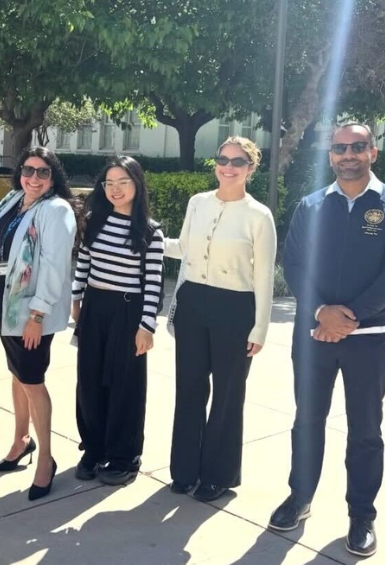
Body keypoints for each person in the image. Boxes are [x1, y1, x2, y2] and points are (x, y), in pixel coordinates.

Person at [269, 123, 385, 558]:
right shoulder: (311, 205)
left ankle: (361, 514)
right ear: (330, 154)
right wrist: (322, 313)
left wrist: (349, 318)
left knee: (366, 431)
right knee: (307, 420)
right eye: (340, 148)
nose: (348, 155)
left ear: (372, 152)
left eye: (357, 147)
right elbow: (296, 263)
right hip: (315, 334)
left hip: (371, 338)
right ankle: (300, 498)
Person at [164, 136, 276, 502]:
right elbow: (182, 248)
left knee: (228, 395)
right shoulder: (198, 203)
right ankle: (184, 471)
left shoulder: (259, 216)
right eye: (223, 159)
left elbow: (263, 276)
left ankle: (219, 475)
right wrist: (148, 236)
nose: (228, 166)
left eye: (238, 161)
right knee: (189, 389)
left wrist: (260, 327)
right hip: (194, 301)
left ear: (250, 169)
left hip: (235, 308)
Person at [0, 147, 76, 501]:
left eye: (43, 173)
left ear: (53, 178)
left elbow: (56, 267)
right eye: (29, 170)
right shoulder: (13, 200)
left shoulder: (56, 210)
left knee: (32, 380)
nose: (34, 178)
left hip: (31, 316)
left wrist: (37, 316)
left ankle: (45, 458)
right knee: (17, 374)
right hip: (7, 308)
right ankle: (20, 441)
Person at [71, 156, 163, 486]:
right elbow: (84, 261)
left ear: (137, 185)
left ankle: (124, 456)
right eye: (109, 183)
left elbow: (153, 283)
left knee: (125, 384)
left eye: (123, 182)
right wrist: (77, 299)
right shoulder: (94, 220)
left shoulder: (150, 232)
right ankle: (94, 448)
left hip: (129, 311)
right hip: (95, 307)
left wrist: (146, 326)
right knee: (90, 380)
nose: (115, 189)